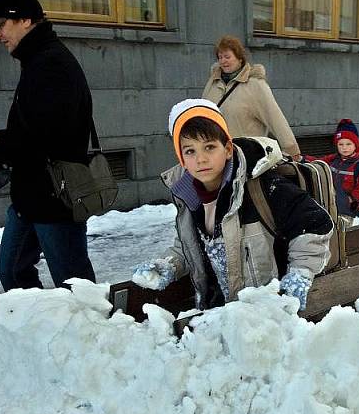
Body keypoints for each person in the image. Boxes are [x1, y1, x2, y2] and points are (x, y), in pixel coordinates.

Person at [131, 99, 333, 311]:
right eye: (190, 151)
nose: (201, 159)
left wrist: (300, 273)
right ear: (181, 158)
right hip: (222, 314)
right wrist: (170, 264)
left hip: (269, 316)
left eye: (209, 147)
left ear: (227, 149)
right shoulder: (189, 197)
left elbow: (314, 224)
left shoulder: (262, 187)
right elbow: (190, 245)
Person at [0, 0, 96, 291]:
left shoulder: (50, 63)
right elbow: (38, 123)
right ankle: (35, 327)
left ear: (26, 20)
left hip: (55, 196)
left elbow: (47, 136)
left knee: (77, 289)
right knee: (12, 270)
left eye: (0, 25)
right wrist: (0, 138)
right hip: (32, 195)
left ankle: (95, 335)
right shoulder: (38, 59)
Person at [201, 35, 301, 160]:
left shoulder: (255, 85)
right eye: (220, 57)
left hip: (245, 158)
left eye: (227, 56)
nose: (223, 61)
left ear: (239, 58)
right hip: (216, 157)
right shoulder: (213, 82)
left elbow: (274, 117)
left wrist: (291, 149)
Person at [305, 119, 359, 226]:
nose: (344, 148)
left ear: (356, 144)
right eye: (340, 144)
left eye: (348, 144)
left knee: (341, 237)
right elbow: (318, 162)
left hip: (345, 212)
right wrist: (303, 159)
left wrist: (351, 198)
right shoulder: (334, 159)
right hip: (329, 207)